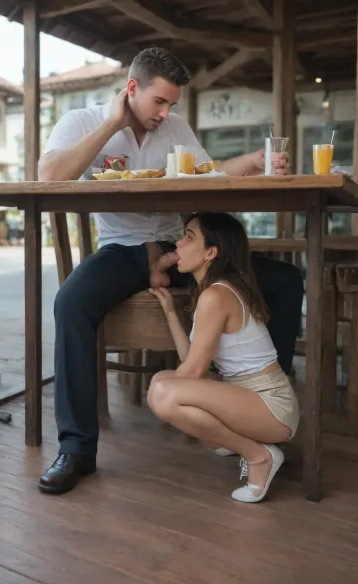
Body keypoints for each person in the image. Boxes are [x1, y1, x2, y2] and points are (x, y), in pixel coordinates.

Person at [37, 46, 303, 495]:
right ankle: (77, 449)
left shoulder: (175, 127)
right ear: (132, 89)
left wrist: (252, 163)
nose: (165, 113)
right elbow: (47, 178)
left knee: (284, 279)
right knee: (70, 301)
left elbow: (209, 174)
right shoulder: (82, 121)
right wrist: (112, 125)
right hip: (122, 249)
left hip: (178, 247)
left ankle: (254, 407)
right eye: (158, 102)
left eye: (171, 104)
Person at [148, 213, 300, 503]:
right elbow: (191, 362)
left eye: (189, 237)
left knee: (164, 392)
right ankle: (242, 443)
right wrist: (170, 313)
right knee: (161, 382)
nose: (178, 242)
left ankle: (259, 456)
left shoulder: (216, 296)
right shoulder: (213, 290)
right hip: (248, 397)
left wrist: (164, 396)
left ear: (211, 252)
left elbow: (191, 375)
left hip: (272, 406)